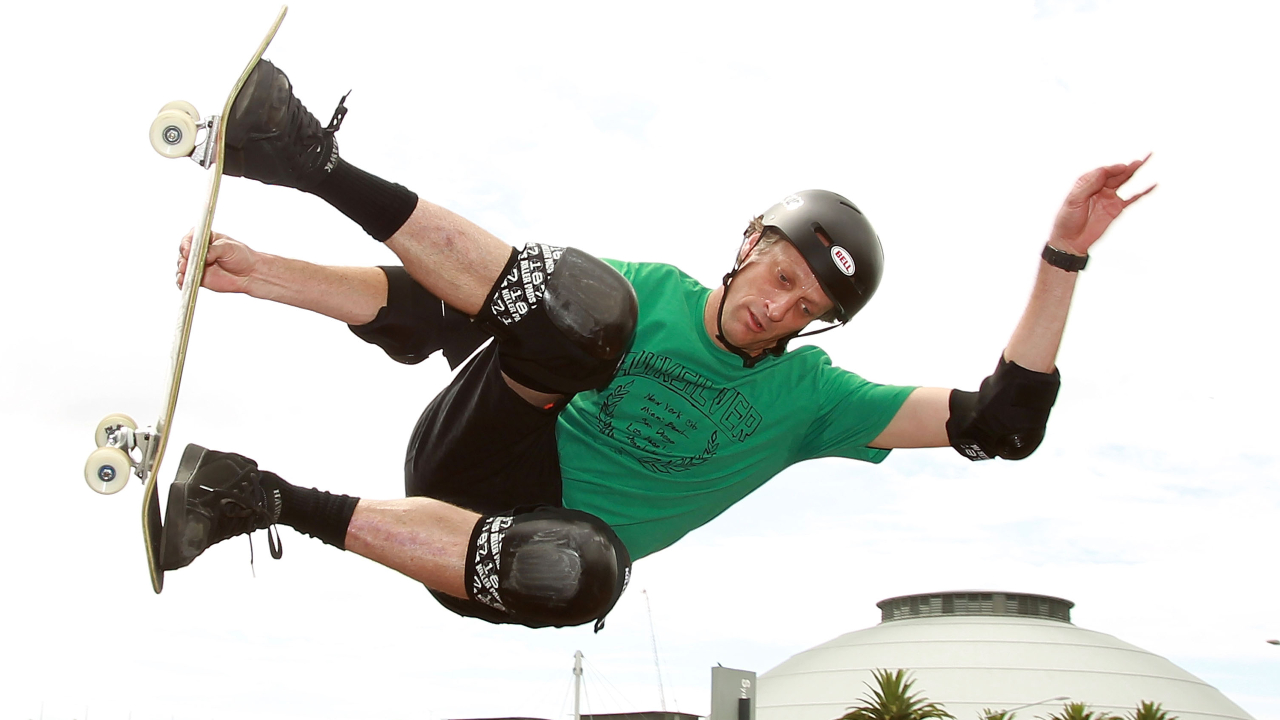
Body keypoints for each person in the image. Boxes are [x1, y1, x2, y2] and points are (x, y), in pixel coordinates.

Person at [160, 60, 1154, 631]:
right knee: (587, 309)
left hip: (517, 560)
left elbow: (1002, 424)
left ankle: (251, 497)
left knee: (593, 569)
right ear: (748, 245)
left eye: (804, 306)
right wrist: (268, 274)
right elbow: (442, 307)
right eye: (779, 275)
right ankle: (302, 157)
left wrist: (1062, 255)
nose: (778, 308)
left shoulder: (816, 400)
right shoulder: (654, 296)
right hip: (480, 449)